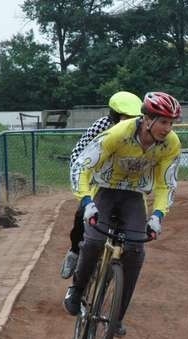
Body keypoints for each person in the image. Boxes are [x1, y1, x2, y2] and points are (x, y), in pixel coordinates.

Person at [63, 91, 182, 338]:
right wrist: (86, 202)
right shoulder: (119, 132)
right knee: (94, 240)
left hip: (134, 196)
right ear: (147, 119)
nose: (167, 128)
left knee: (136, 252)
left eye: (171, 123)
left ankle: (116, 317)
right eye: (163, 121)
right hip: (105, 191)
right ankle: (77, 288)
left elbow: (165, 184)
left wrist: (158, 215)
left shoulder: (171, 144)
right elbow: (81, 166)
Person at [60, 91, 143, 279]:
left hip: (126, 183)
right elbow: (78, 153)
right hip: (97, 177)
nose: (131, 121)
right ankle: (74, 251)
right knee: (83, 215)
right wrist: (84, 184)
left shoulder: (141, 132)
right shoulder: (102, 126)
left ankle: (118, 262)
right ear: (114, 116)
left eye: (135, 118)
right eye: (126, 117)